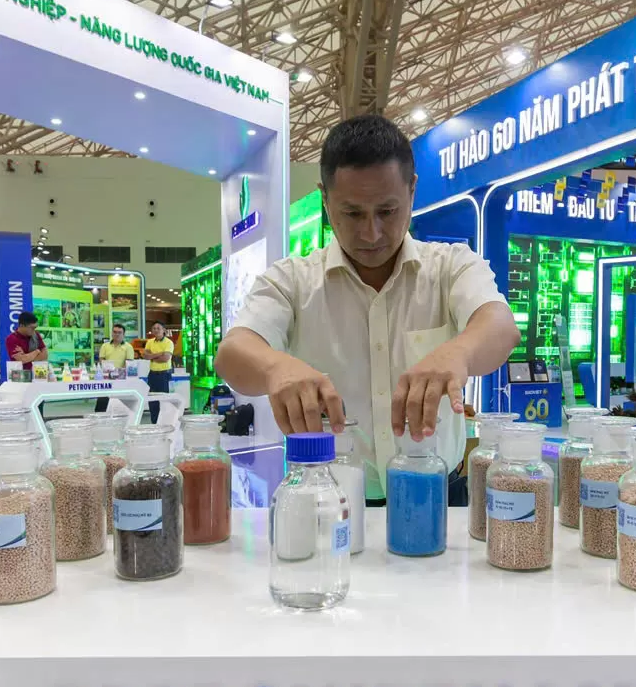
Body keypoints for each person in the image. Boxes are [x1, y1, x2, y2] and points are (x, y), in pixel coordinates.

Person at [215, 114, 519, 506]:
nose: (371, 233)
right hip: (330, 503)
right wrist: (275, 368)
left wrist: (458, 352)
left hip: (440, 497)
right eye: (353, 213)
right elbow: (233, 353)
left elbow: (500, 326)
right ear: (325, 200)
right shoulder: (291, 281)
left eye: (387, 211)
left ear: (412, 190)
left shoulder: (451, 266)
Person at [94, 324, 137, 412]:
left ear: (123, 334)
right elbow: (102, 360)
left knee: (119, 403)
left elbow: (128, 363)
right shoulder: (105, 346)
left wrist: (117, 374)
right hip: (107, 378)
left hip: (121, 379)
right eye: (115, 332)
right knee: (102, 401)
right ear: (112, 333)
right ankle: (100, 416)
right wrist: (108, 372)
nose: (117, 334)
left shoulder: (128, 347)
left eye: (119, 332)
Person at [141, 321, 175, 423]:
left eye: (158, 328)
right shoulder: (150, 342)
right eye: (154, 328)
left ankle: (165, 424)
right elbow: (145, 356)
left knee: (164, 401)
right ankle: (154, 423)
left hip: (164, 375)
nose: (156, 330)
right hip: (152, 374)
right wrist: (159, 354)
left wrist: (152, 356)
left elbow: (165, 358)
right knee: (152, 401)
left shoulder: (168, 342)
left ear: (164, 330)